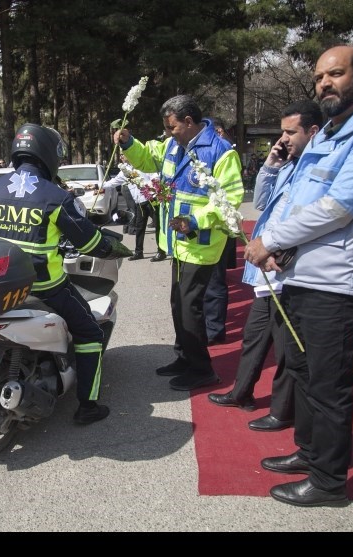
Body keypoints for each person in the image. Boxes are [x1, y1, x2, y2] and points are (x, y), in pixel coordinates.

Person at [244, 45, 353, 507]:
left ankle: (329, 482)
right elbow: (293, 202)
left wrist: (271, 242)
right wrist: (279, 247)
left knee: (328, 383)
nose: (324, 84)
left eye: (335, 74)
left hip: (337, 282)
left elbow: (337, 208)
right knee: (301, 370)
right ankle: (310, 451)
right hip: (300, 275)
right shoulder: (327, 136)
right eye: (319, 77)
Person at [0, 123, 132, 424]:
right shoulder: (54, 197)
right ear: (48, 155)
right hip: (45, 288)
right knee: (90, 330)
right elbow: (88, 241)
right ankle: (88, 407)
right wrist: (115, 246)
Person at [208, 100, 323, 432]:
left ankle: (282, 410)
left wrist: (281, 251)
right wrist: (271, 165)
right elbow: (260, 202)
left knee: (287, 349)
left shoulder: (316, 168)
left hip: (289, 269)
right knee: (254, 336)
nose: (283, 138)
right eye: (282, 132)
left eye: (290, 132)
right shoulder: (289, 164)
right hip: (266, 268)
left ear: (313, 132)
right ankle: (242, 392)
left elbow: (310, 219)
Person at [115, 95, 243, 391]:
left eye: (172, 126)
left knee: (190, 307)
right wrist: (128, 141)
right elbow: (148, 158)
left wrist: (196, 221)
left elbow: (231, 200)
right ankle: (183, 357)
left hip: (201, 243)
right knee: (178, 303)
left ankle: (202, 369)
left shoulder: (221, 152)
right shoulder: (175, 144)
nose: (168, 132)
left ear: (188, 121)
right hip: (177, 241)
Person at [203, 118, 238, 344]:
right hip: (200, 230)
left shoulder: (224, 152)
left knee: (215, 282)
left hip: (217, 228)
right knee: (204, 284)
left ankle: (214, 330)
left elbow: (230, 196)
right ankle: (206, 325)